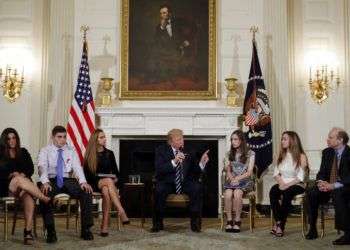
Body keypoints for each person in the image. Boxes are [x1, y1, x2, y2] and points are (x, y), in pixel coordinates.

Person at [38, 125, 94, 243]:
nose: (62, 140)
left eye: (64, 137)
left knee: (86, 192)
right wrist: (45, 182)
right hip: (51, 180)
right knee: (44, 194)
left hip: (67, 180)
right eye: (59, 137)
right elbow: (42, 167)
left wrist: (83, 182)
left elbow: (77, 167)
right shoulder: (45, 150)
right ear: (53, 137)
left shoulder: (70, 150)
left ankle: (86, 229)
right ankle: (50, 230)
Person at [151, 128, 209, 232]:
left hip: (185, 182)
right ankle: (158, 223)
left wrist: (202, 163)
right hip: (168, 182)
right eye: (178, 139)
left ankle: (195, 223)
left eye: (182, 139)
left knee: (197, 188)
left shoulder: (189, 151)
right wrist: (174, 161)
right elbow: (159, 169)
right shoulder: (161, 150)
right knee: (159, 190)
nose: (182, 141)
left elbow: (195, 171)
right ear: (170, 142)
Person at [0, 128, 50, 245]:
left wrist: (22, 174)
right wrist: (12, 174)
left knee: (27, 194)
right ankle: (44, 198)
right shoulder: (0, 154)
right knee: (18, 179)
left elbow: (30, 169)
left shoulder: (23, 152)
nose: (12, 141)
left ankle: (27, 232)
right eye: (9, 139)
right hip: (6, 187)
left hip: (23, 187)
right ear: (4, 141)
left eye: (14, 138)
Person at [305, 127, 350, 245]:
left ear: (340, 140)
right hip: (327, 186)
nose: (327, 139)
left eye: (330, 137)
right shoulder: (327, 152)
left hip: (344, 187)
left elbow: (348, 178)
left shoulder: (349, 154)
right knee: (311, 192)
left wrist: (332, 186)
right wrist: (320, 183)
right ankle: (313, 229)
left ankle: (347, 234)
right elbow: (321, 172)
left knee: (338, 193)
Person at [83, 129, 129, 237]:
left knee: (106, 191)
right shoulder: (89, 154)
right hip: (93, 183)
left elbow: (116, 173)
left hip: (108, 184)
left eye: (104, 137)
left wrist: (115, 179)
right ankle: (121, 210)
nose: (104, 139)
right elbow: (88, 176)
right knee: (107, 182)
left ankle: (104, 226)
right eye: (101, 137)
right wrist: (106, 180)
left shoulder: (109, 153)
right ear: (95, 140)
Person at [269, 131, 308, 237]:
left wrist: (286, 185)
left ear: (292, 141)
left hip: (297, 184)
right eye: (282, 139)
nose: (282, 141)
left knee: (287, 193)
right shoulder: (280, 155)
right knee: (273, 191)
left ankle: (281, 225)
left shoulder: (301, 156)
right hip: (283, 182)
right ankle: (278, 222)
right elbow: (276, 173)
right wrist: (281, 183)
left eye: (285, 139)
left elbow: (300, 177)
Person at [149, 4, 192, 83]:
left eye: (164, 13)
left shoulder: (177, 22)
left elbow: (185, 32)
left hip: (178, 48)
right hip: (165, 50)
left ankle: (173, 74)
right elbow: (156, 41)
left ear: (169, 13)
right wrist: (162, 28)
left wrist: (186, 40)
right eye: (161, 13)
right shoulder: (159, 27)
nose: (162, 15)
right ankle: (160, 75)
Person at [223, 130, 255, 233]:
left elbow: (249, 172)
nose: (233, 141)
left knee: (237, 193)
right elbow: (228, 170)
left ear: (241, 140)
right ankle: (229, 220)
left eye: (235, 139)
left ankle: (237, 220)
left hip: (244, 180)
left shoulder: (250, 153)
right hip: (232, 180)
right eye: (231, 139)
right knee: (228, 194)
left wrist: (237, 179)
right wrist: (232, 179)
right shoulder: (229, 154)